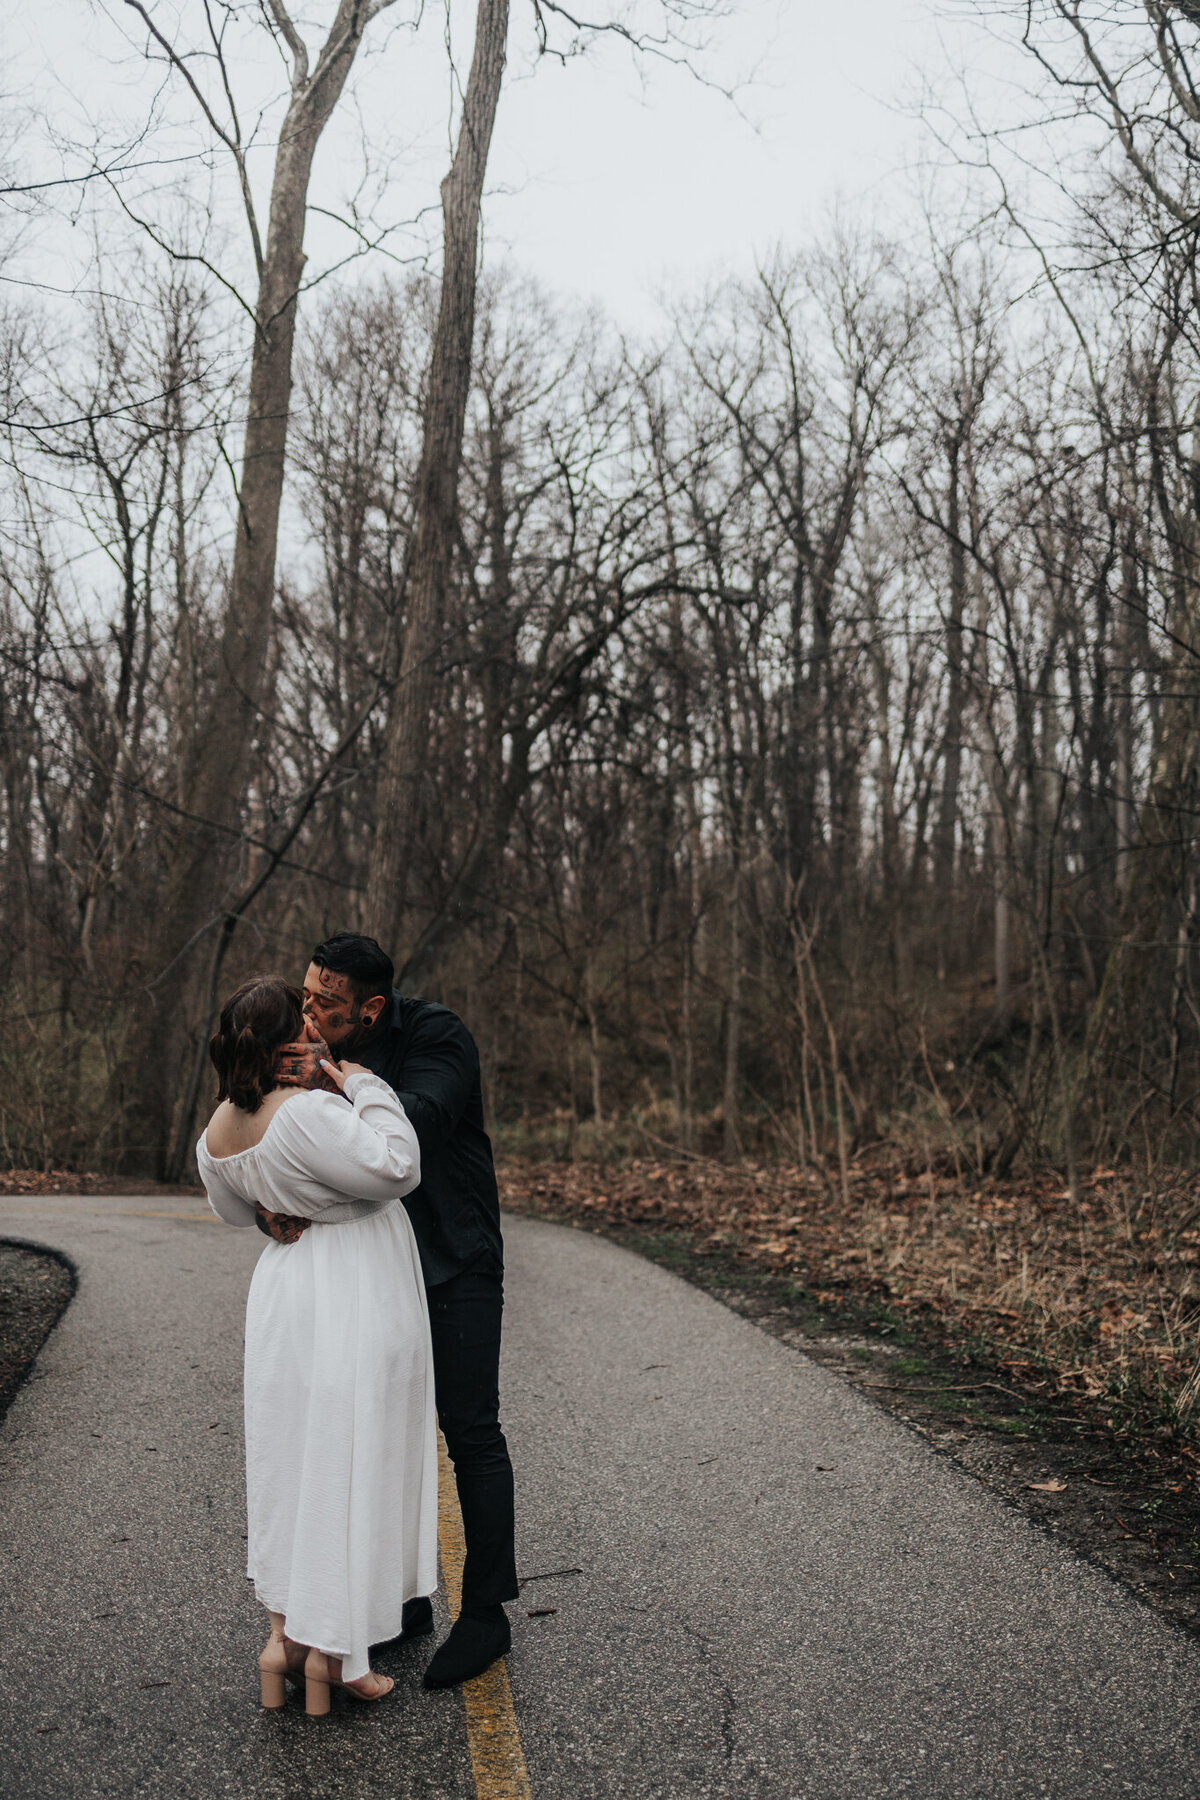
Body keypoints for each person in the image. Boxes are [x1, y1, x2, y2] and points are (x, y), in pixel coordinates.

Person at [196, 976, 437, 1715]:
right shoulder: (307, 1113)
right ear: (283, 1044)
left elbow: (235, 1210)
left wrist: (276, 1207)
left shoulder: (219, 1128)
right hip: (351, 1290)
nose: (314, 1023)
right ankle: (337, 1656)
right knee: (346, 1459)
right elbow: (399, 1166)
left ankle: (281, 1644)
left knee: (289, 1461)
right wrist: (363, 1084)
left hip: (283, 1297)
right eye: (301, 1017)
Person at [298, 932, 517, 1689]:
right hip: (375, 1270)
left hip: (456, 1261)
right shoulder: (309, 1048)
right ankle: (404, 1601)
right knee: (386, 1435)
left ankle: (486, 1612)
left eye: (325, 1003)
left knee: (470, 1430)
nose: (310, 1011)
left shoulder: (436, 1034)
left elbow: (413, 1125)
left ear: (371, 1008)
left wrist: (338, 1082)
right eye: (306, 995)